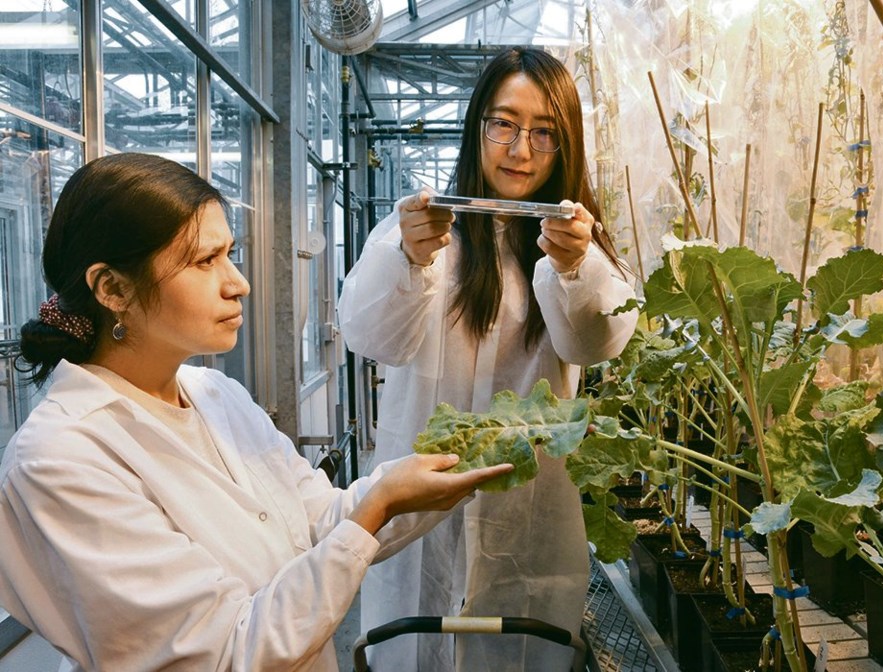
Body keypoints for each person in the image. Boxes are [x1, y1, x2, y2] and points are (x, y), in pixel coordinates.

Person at [0, 152, 512, 672]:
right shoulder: (60, 461)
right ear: (113, 289)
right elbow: (221, 652)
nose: (238, 282)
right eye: (205, 262)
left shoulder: (215, 394)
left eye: (231, 253)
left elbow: (317, 523)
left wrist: (408, 486)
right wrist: (376, 509)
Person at [337, 47, 639, 671]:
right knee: (413, 647)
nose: (520, 150)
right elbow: (369, 334)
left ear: (567, 144)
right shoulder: (419, 234)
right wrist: (409, 259)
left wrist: (574, 265)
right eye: (503, 123)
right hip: (417, 516)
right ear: (476, 126)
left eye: (544, 133)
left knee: (516, 652)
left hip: (526, 516)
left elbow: (595, 342)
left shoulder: (580, 249)